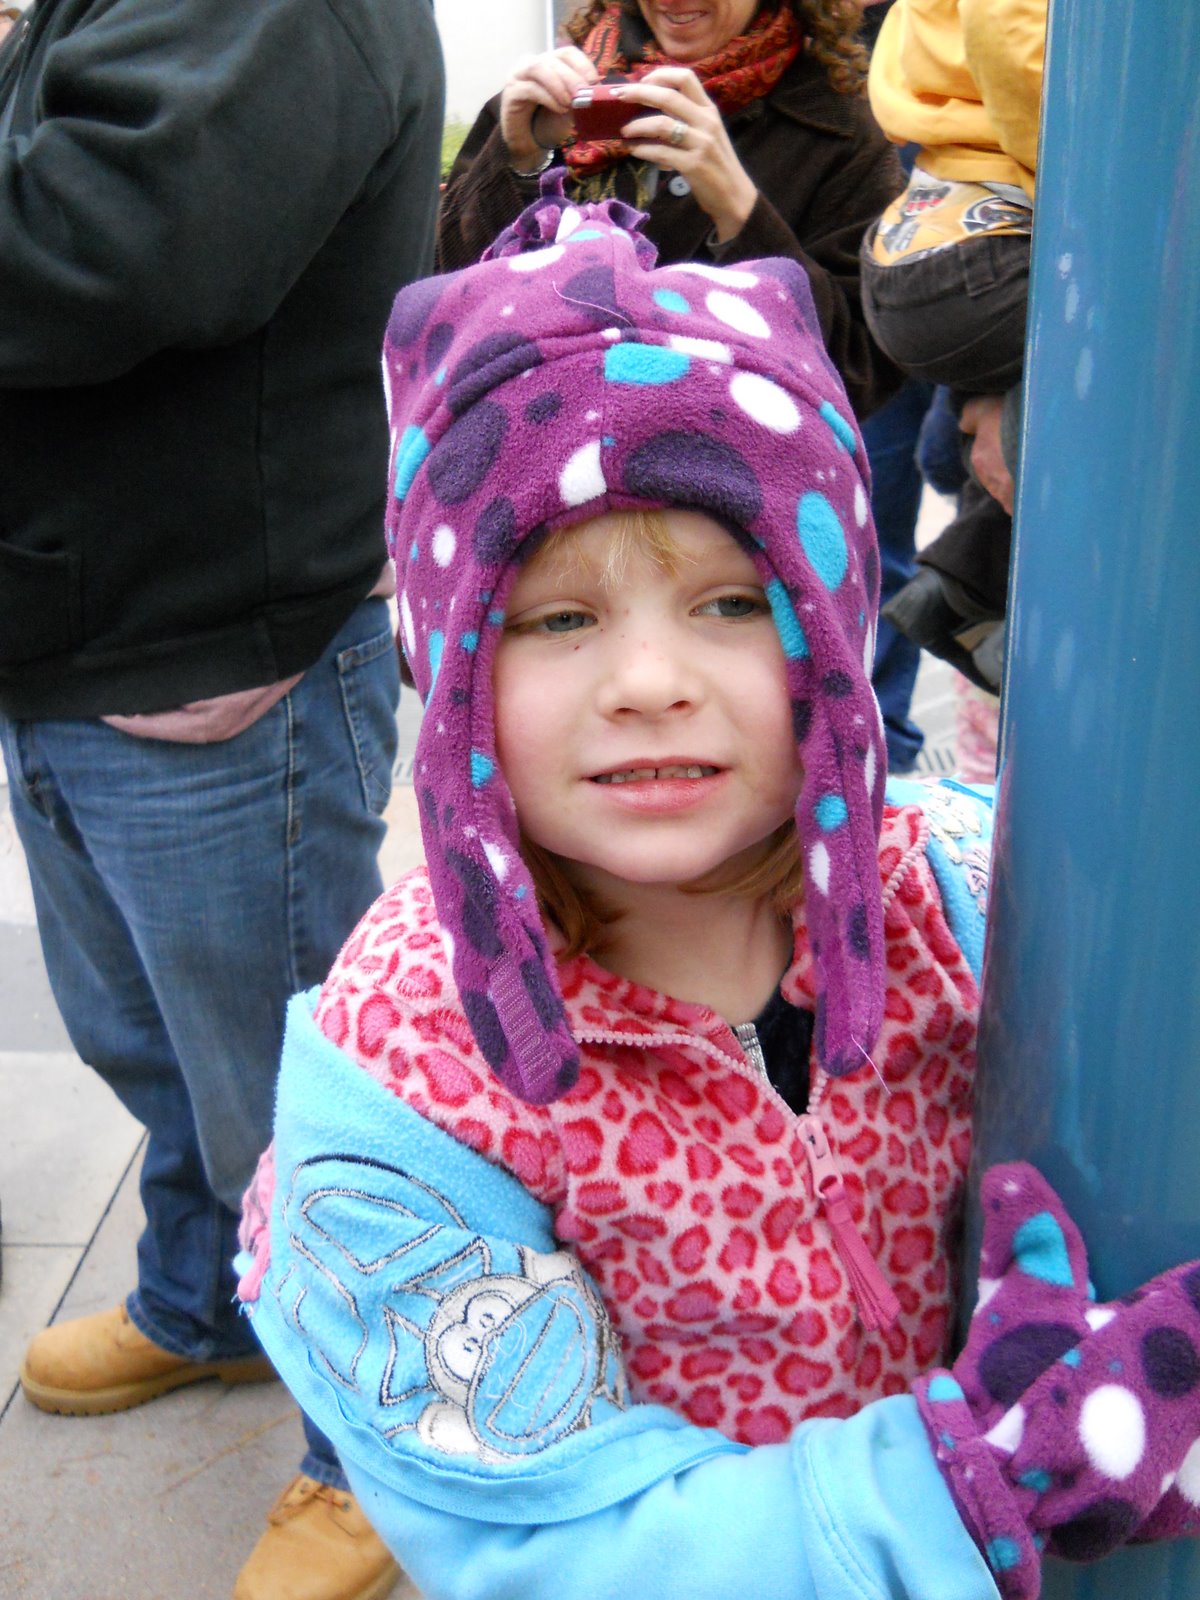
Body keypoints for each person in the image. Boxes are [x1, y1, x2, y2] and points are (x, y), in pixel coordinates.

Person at [236, 195, 1200, 1599]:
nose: (648, 681)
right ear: (451, 671)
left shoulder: (974, 889)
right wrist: (962, 1482)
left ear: (834, 620)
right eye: (560, 618)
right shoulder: (405, 1084)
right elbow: (546, 1538)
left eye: (733, 602)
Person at [0, 1, 443, 1596]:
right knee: (151, 1050)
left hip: (213, 652)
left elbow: (112, 244)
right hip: (91, 629)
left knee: (301, 1102)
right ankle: (210, 1304)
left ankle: (387, 1448)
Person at [438, 0, 905, 419]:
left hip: (727, 472)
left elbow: (858, 371)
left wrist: (739, 212)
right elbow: (445, 310)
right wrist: (518, 160)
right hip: (539, 453)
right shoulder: (562, 93)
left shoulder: (842, 128)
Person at [858, 0, 1044, 691]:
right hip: (982, 258)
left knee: (969, 434)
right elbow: (1015, 45)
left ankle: (963, 585)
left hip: (927, 241)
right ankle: (986, 579)